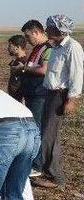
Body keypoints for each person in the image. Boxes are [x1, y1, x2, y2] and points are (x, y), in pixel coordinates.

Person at [33, 15, 83, 188]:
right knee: (47, 134)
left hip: (59, 96)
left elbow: (77, 75)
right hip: (50, 93)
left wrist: (72, 99)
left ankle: (56, 177)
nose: (46, 30)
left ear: (58, 30)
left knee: (49, 135)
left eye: (49, 27)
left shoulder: (72, 47)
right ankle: (50, 173)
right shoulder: (55, 47)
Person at [19, 20, 52, 175]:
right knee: (32, 128)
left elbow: (44, 70)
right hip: (32, 93)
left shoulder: (48, 48)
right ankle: (32, 161)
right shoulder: (37, 48)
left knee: (37, 129)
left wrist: (23, 68)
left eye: (28, 36)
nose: (27, 40)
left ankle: (37, 165)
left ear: (36, 31)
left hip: (40, 94)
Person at [6, 34, 28, 101]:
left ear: (17, 47)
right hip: (14, 98)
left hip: (20, 99)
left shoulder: (24, 63)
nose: (8, 48)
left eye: (10, 46)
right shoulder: (16, 61)